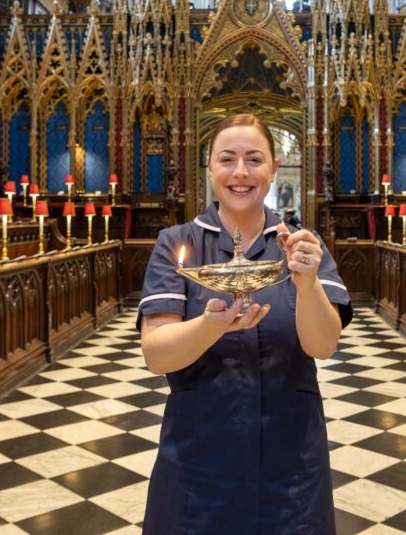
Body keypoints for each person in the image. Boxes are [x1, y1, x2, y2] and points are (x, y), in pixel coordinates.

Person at [138, 113, 351, 534]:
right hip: (199, 462)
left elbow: (323, 346)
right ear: (210, 167)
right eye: (227, 159)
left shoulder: (302, 246)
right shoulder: (178, 244)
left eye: (255, 160)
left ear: (274, 168)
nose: (240, 172)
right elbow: (156, 354)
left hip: (291, 465)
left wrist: (306, 283)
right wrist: (211, 326)